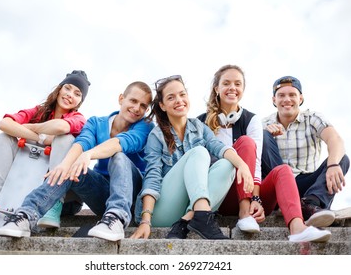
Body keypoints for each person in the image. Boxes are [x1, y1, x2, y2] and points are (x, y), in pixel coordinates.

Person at [0, 81, 154, 241]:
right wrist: (64, 165)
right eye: (133, 101)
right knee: (69, 166)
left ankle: (117, 219)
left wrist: (89, 154)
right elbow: (82, 142)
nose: (137, 108)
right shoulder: (96, 123)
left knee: (118, 156)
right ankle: (26, 215)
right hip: (104, 196)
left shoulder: (145, 126)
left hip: (132, 198)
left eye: (143, 106)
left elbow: (121, 143)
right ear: (121, 99)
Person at [199, 65, 332, 242]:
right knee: (244, 142)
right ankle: (244, 212)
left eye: (238, 84)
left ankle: (298, 228)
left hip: (249, 191)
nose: (233, 88)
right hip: (219, 197)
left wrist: (256, 198)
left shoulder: (251, 119)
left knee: (283, 169)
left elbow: (255, 163)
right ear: (217, 88)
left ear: (243, 89)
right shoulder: (200, 123)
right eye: (226, 83)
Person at [130, 75, 254, 240]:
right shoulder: (157, 135)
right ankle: (202, 215)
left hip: (185, 209)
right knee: (199, 152)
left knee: (227, 164)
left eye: (182, 94)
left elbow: (219, 148)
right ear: (162, 105)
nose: (179, 100)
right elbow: (152, 177)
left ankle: (189, 220)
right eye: (171, 97)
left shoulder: (198, 126)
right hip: (160, 211)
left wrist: (243, 165)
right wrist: (146, 220)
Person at [0, 70, 90, 229]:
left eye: (77, 93)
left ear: (80, 101)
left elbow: (60, 127)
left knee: (64, 138)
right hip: (28, 184)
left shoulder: (78, 118)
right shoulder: (39, 111)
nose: (70, 95)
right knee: (4, 138)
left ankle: (54, 206)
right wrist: (41, 138)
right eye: (67, 88)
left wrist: (26, 129)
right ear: (59, 89)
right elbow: (4, 124)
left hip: (67, 199)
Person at [262, 75, 350, 228]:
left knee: (342, 158)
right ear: (273, 100)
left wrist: (333, 165)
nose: (287, 99)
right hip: (277, 185)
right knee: (261, 136)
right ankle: (286, 204)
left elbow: (335, 139)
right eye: (281, 95)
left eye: (292, 95)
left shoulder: (312, 118)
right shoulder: (264, 124)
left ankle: (310, 205)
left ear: (300, 98)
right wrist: (264, 136)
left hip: (305, 184)